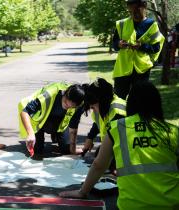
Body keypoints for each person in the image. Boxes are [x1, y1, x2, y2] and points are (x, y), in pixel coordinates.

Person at [59, 81, 179, 210]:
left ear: (131, 103)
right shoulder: (172, 131)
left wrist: (82, 192)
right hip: (171, 204)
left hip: (132, 205)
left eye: (93, 107)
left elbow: (98, 165)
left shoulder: (118, 127)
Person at [112, 0, 164, 99]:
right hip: (122, 68)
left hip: (142, 70)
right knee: (118, 99)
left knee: (140, 99)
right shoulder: (122, 24)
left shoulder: (152, 25)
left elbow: (156, 48)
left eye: (136, 11)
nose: (133, 15)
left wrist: (142, 46)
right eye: (130, 12)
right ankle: (120, 115)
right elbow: (114, 44)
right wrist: (119, 44)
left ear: (144, 7)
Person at [18, 82, 86, 157]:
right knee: (37, 150)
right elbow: (25, 111)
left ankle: (56, 133)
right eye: (66, 103)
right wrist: (30, 133)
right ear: (64, 94)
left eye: (72, 107)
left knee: (66, 150)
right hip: (40, 121)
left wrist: (73, 149)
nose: (68, 107)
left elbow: (74, 125)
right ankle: (48, 133)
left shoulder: (80, 103)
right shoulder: (49, 95)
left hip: (60, 122)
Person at [82, 78, 126, 157]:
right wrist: (90, 138)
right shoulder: (102, 107)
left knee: (101, 156)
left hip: (125, 147)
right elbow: (97, 123)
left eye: (93, 107)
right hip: (113, 143)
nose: (92, 109)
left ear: (102, 101)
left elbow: (119, 140)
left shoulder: (117, 112)